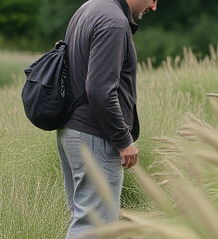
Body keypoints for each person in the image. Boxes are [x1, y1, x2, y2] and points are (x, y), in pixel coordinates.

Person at [56, 0, 157, 237]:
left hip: (72, 131)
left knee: (86, 223)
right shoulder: (114, 22)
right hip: (94, 135)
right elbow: (99, 90)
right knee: (97, 228)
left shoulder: (90, 7)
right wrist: (123, 139)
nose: (154, 7)